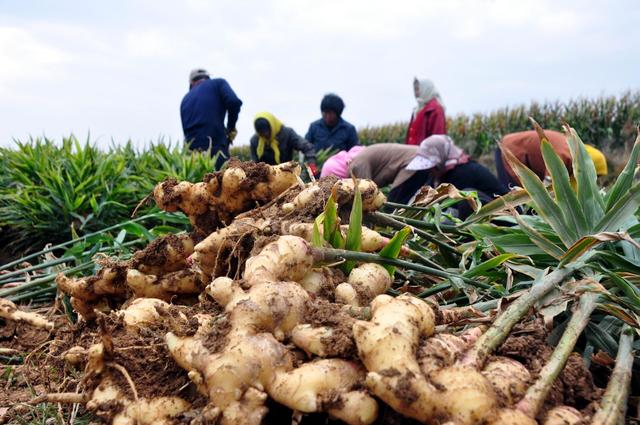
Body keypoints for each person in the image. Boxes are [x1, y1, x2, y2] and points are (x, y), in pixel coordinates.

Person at [350, 136, 508, 217]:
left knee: (467, 198)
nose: (429, 171)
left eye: (431, 166)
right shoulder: (439, 174)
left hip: (502, 213)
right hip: (478, 215)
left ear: (440, 160)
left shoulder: (463, 172)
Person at [495, 130, 608, 188]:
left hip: (530, 163)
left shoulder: (575, 153)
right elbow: (548, 187)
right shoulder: (563, 156)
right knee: (516, 202)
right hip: (509, 152)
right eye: (595, 176)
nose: (594, 181)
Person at [180, 69, 243, 169]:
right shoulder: (218, 83)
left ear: (191, 83)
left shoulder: (185, 99)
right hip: (216, 151)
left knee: (196, 185)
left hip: (192, 160)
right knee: (224, 182)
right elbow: (233, 102)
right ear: (207, 77)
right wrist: (230, 128)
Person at [250, 112, 318, 175]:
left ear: (272, 126)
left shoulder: (287, 133)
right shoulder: (255, 141)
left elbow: (307, 147)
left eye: (267, 131)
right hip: (267, 179)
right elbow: (254, 163)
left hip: (288, 175)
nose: (266, 134)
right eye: (262, 133)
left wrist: (311, 163)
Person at [405, 78, 447, 145]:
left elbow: (438, 139)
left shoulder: (436, 110)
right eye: (415, 90)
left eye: (418, 89)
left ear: (426, 89)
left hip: (425, 154)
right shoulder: (416, 110)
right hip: (414, 153)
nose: (415, 93)